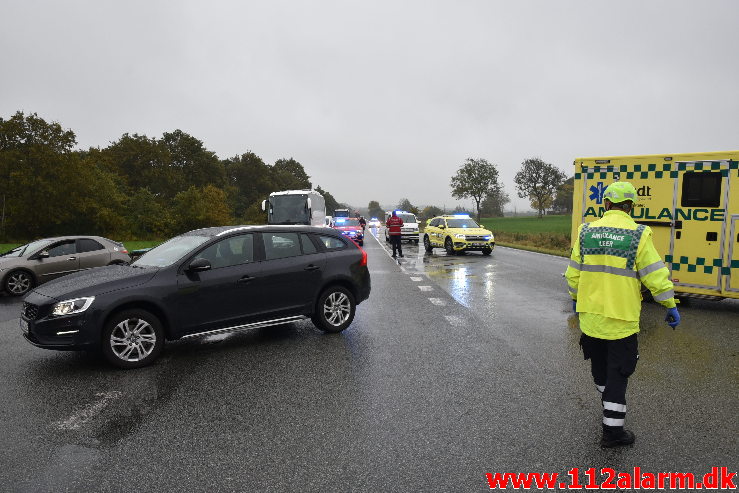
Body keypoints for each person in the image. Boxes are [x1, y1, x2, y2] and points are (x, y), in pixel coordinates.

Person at [565, 181, 680, 448]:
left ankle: (609, 408)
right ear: (631, 207)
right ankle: (613, 432)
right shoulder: (639, 234)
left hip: (591, 319)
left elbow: (573, 274)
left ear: (606, 204)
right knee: (618, 373)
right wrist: (669, 304)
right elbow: (655, 274)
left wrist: (575, 298)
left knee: (601, 371)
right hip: (622, 322)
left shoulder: (585, 232)